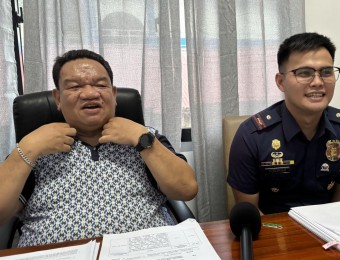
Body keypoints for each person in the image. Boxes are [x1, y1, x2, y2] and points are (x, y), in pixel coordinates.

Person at [0, 49, 198, 247]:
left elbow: (186, 189)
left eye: (101, 85)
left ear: (113, 94)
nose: (90, 93)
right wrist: (27, 148)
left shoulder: (144, 136)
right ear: (58, 99)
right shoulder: (35, 147)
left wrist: (141, 139)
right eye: (75, 86)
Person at [227, 32, 340, 214]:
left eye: (326, 72)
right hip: (272, 232)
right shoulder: (252, 135)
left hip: (328, 232)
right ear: (281, 82)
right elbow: (250, 213)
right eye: (304, 73)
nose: (317, 82)